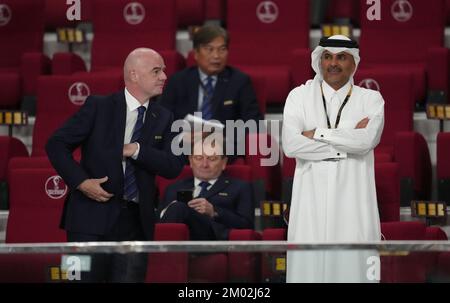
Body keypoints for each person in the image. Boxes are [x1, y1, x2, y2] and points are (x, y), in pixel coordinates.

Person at [46, 48, 185, 282]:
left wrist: (137, 150)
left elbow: (173, 166)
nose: (164, 76)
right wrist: (81, 182)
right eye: (156, 71)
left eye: (163, 70)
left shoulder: (164, 117)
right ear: (134, 75)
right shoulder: (99, 106)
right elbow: (56, 144)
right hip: (89, 218)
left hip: (136, 224)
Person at [282, 35, 385, 283]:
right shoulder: (298, 96)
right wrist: (345, 142)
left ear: (354, 64)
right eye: (327, 56)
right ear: (319, 60)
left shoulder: (371, 99)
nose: (333, 63)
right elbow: (291, 144)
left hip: (354, 203)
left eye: (341, 57)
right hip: (310, 202)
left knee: (355, 270)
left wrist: (316, 134)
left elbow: (366, 141)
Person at [159, 24, 262, 125]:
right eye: (209, 49)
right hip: (185, 140)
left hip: (224, 140)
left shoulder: (239, 82)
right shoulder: (178, 81)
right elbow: (162, 121)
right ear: (196, 53)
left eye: (222, 49)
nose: (216, 56)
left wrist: (221, 136)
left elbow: (254, 123)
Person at [158, 136, 254, 240]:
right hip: (181, 238)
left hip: (212, 238)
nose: (204, 164)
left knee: (179, 207)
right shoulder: (174, 187)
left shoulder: (239, 187)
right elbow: (156, 221)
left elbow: (246, 224)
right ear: (190, 161)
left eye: (212, 159)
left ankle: (164, 255)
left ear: (224, 163)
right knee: (177, 208)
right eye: (199, 158)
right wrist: (167, 211)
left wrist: (214, 211)